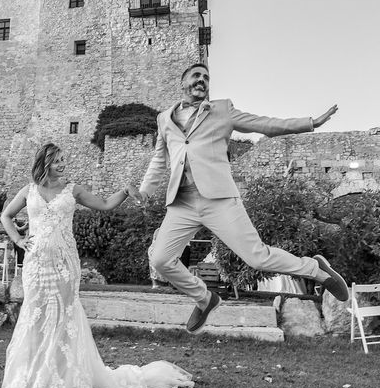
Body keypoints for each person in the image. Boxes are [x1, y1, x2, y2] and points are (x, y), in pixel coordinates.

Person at [137, 62, 349, 334]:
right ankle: (205, 299)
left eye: (206, 77)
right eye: (196, 76)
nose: (202, 80)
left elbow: (265, 124)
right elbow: (158, 160)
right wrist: (144, 192)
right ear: (183, 82)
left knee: (258, 258)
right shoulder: (164, 119)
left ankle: (316, 269)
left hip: (219, 199)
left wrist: (310, 123)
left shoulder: (222, 110)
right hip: (182, 203)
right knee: (160, 260)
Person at [0, 143, 194, 388]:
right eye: (57, 160)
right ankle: (35, 377)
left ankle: (63, 378)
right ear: (45, 162)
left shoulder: (73, 190)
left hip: (65, 263)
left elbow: (104, 205)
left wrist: (125, 191)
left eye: (63, 159)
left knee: (63, 316)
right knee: (35, 316)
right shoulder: (29, 190)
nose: (62, 164)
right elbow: (6, 216)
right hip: (36, 265)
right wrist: (18, 240)